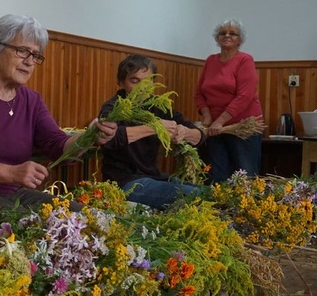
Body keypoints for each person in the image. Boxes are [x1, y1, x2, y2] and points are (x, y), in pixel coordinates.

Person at [0, 14, 116, 210]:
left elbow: (58, 146)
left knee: (83, 216)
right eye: (22, 51)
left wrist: (89, 136)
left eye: (36, 55)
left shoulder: (31, 100)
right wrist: (13, 173)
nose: (30, 62)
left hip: (14, 194)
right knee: (33, 225)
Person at [99, 54, 205, 210]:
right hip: (123, 182)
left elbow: (200, 136)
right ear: (121, 82)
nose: (142, 88)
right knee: (192, 194)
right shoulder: (112, 107)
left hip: (153, 177)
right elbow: (110, 138)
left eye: (148, 82)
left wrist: (185, 133)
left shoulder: (158, 106)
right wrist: (155, 127)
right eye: (135, 81)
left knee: (210, 192)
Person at [195, 18, 263, 182]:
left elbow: (244, 96)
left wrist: (220, 121)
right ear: (217, 38)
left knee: (244, 176)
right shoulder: (211, 61)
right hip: (215, 128)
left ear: (240, 40)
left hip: (242, 127)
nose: (227, 36)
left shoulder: (245, 60)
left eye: (232, 33)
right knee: (217, 175)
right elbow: (199, 93)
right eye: (222, 33)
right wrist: (207, 116)